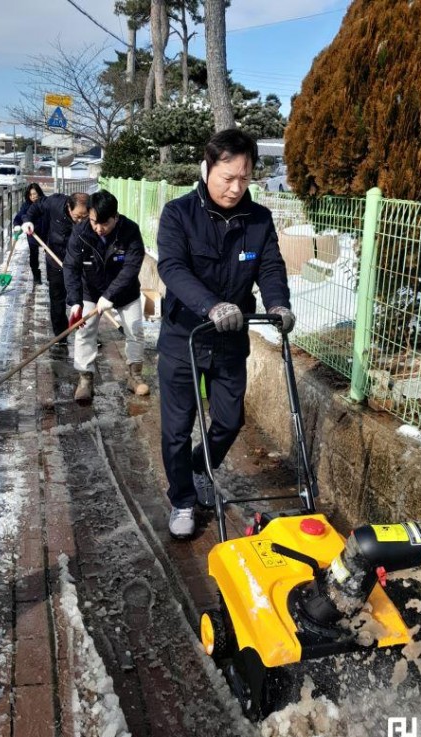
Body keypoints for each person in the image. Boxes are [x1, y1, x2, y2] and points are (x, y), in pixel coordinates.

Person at [156, 128, 296, 539]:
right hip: (186, 335)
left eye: (244, 178)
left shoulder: (259, 220)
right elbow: (172, 269)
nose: (236, 188)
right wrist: (210, 305)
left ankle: (200, 467)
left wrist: (277, 304)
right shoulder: (178, 214)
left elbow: (270, 267)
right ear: (207, 169)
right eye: (227, 178)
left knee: (230, 420)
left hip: (231, 341)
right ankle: (182, 498)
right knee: (177, 428)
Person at [64, 190, 150, 403]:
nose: (99, 228)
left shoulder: (130, 231)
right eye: (94, 222)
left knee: (135, 331)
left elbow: (131, 267)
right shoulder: (81, 232)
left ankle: (134, 375)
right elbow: (71, 267)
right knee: (85, 332)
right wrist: (75, 303)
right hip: (90, 290)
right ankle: (85, 379)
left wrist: (110, 295)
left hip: (125, 291)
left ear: (115, 217)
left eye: (105, 224)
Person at [21, 192, 90, 356]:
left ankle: (88, 334)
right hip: (56, 257)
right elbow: (36, 206)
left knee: (84, 297)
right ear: (68, 207)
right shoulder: (55, 203)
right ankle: (61, 336)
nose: (80, 221)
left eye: (84, 217)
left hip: (80, 260)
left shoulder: (90, 213)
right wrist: (27, 220)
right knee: (57, 297)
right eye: (77, 216)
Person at [13, 182, 46, 285]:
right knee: (33, 255)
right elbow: (19, 217)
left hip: (46, 233)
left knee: (49, 255)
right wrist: (17, 225)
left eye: (35, 194)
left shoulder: (45, 203)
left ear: (39, 193)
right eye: (30, 195)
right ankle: (36, 275)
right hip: (32, 234)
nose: (33, 197)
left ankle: (52, 275)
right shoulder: (26, 206)